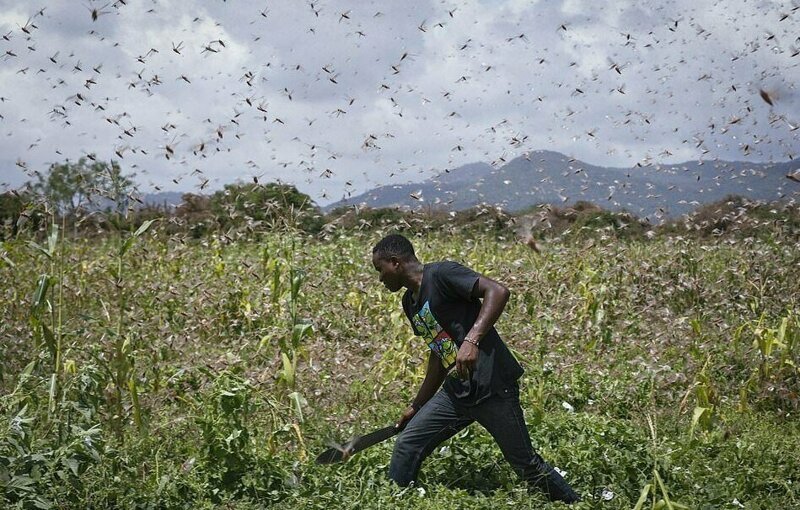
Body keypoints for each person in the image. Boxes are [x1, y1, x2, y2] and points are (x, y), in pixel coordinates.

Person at [370, 233, 580, 503]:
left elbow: (498, 291)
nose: (380, 278)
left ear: (395, 262)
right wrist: (418, 405)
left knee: (526, 464)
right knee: (407, 444)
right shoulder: (410, 303)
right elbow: (439, 352)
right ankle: (395, 503)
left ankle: (576, 505)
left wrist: (472, 340)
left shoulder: (442, 274)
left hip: (492, 385)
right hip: (456, 392)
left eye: (380, 269)